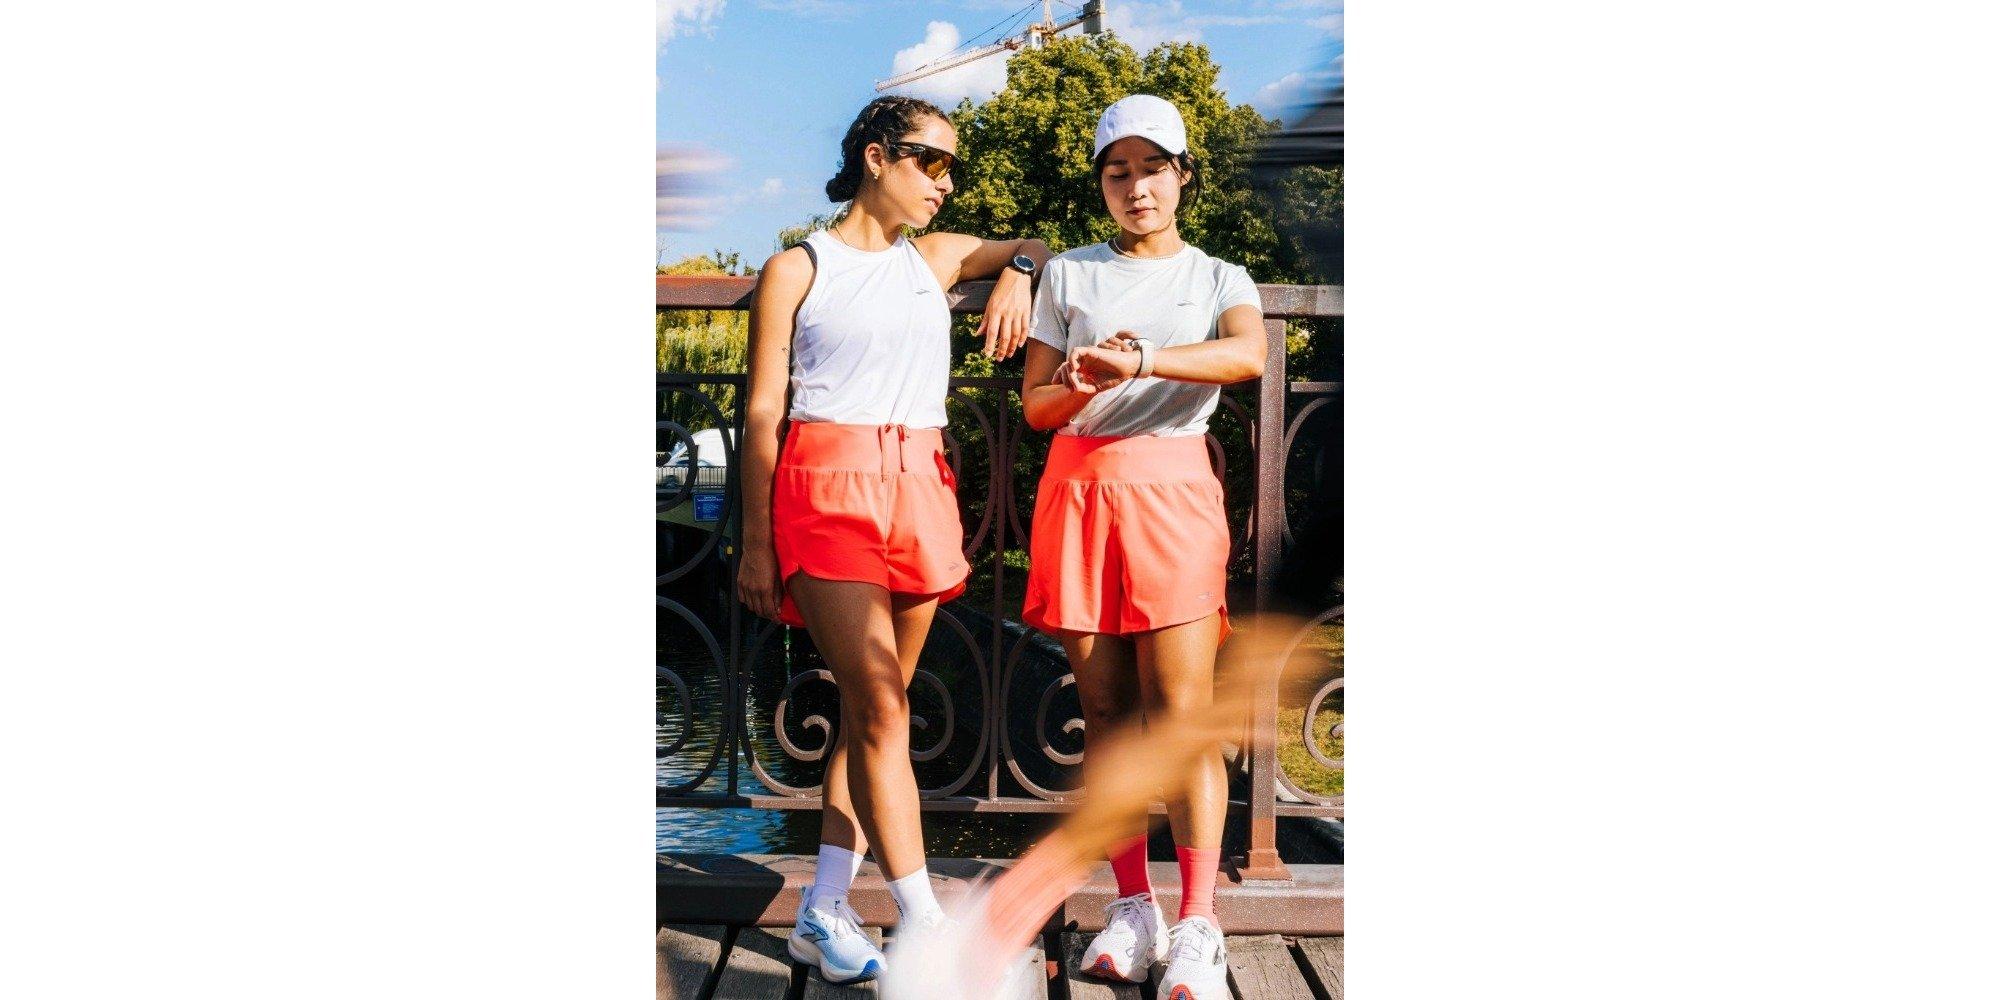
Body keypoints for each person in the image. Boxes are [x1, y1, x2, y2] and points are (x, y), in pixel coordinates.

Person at [736, 94, 1051, 985]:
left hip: (920, 483)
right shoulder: (797, 267)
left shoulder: (939, 259)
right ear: (877, 157)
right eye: (930, 162)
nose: (945, 184)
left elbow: (1036, 245)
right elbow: (763, 413)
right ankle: (926, 922)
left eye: (952, 167)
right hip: (824, 486)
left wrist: (1021, 270)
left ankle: (822, 910)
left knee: (879, 712)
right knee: (878, 705)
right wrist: (758, 545)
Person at [1019, 93, 1267, 999]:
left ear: (1182, 176)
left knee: (1181, 713)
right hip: (1080, 492)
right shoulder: (1070, 276)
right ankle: (1134, 906)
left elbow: (1246, 358)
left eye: (1152, 168)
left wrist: (1142, 361)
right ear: (1103, 185)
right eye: (1117, 172)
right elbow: (1036, 407)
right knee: (1110, 714)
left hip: (1171, 493)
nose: (1136, 188)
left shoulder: (1218, 275)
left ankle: (1199, 921)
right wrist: (1082, 382)